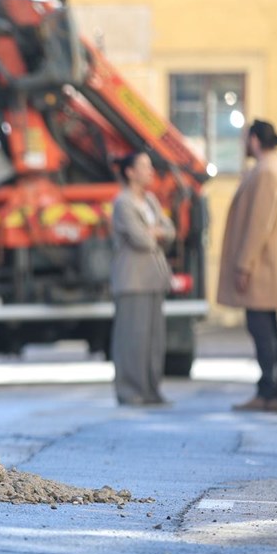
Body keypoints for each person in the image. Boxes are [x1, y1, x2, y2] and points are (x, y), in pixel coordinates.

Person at [218, 119, 277, 412]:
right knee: (271, 330)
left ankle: (269, 392)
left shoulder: (266, 172)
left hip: (262, 267)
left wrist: (244, 264)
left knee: (262, 329)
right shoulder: (271, 169)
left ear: (253, 140)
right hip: (268, 266)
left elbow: (258, 224)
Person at [110, 151, 176, 406]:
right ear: (130, 172)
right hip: (132, 280)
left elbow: (169, 232)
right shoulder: (123, 203)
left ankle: (151, 390)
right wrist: (155, 233)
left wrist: (156, 231)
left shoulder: (150, 201)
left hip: (153, 279)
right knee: (131, 339)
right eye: (145, 167)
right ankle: (130, 391)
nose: (150, 172)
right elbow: (142, 239)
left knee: (153, 340)